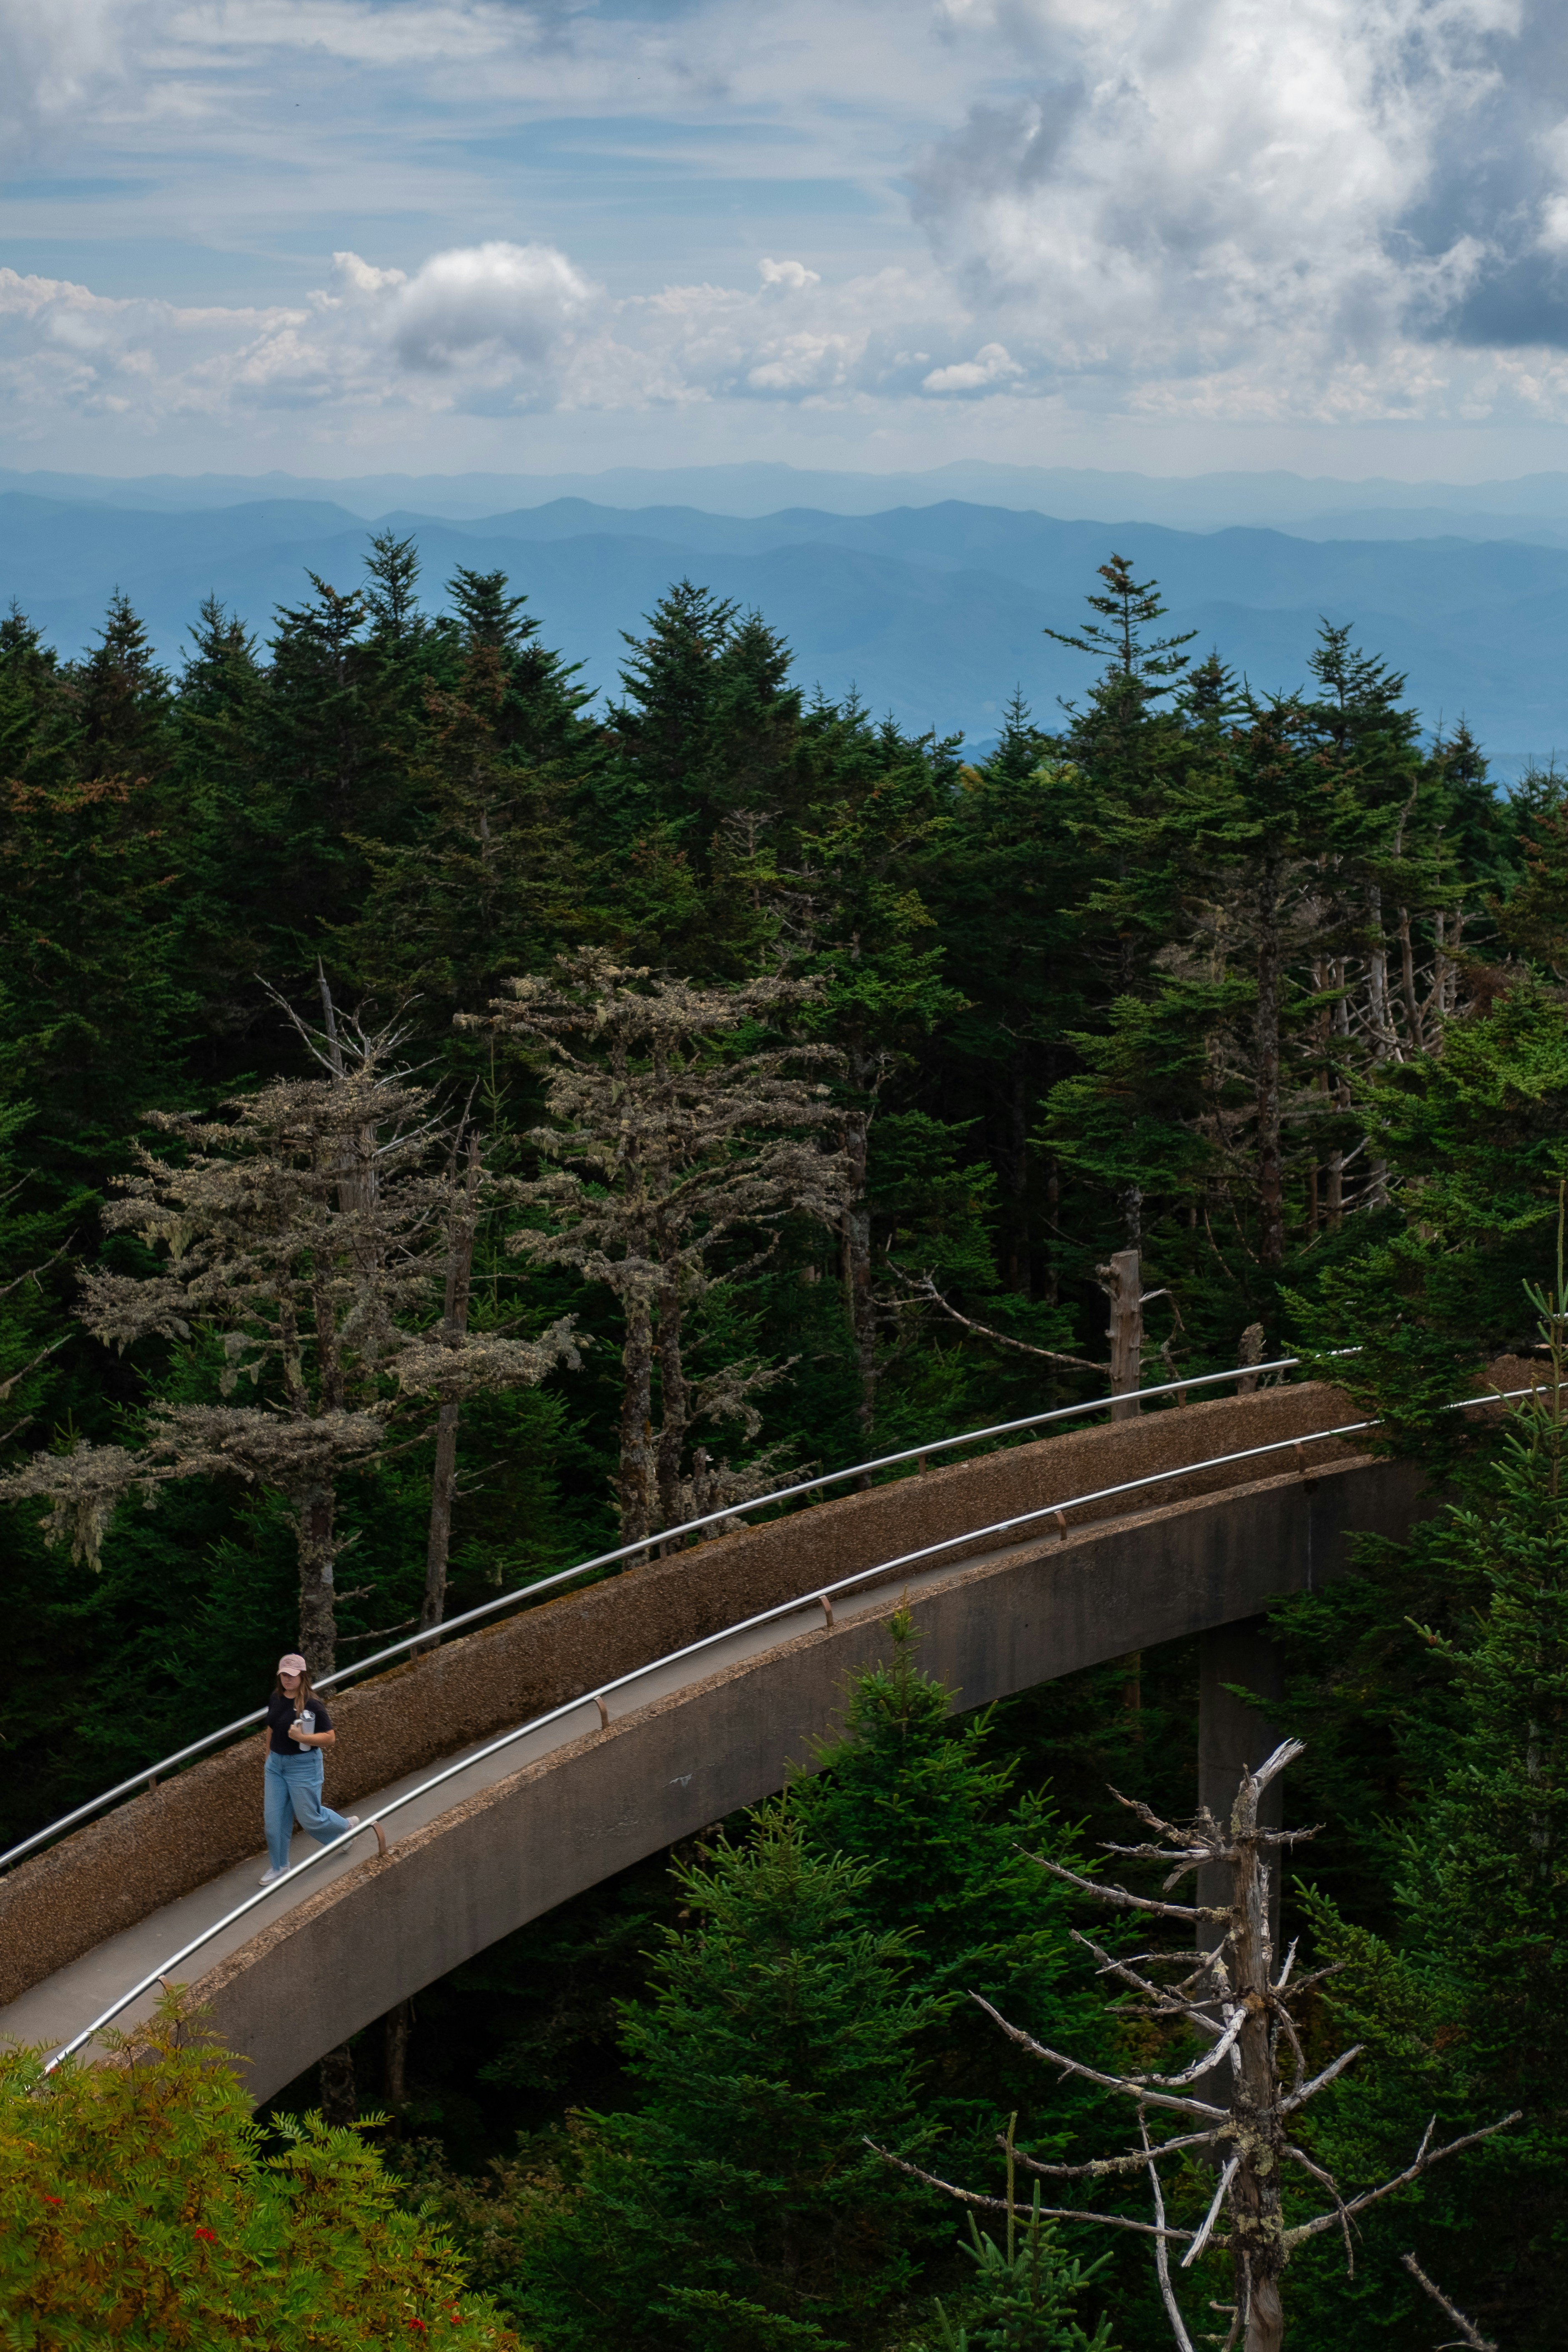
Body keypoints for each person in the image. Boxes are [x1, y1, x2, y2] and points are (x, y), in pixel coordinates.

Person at [259, 1652, 361, 1887]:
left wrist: (301, 1736)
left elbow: (330, 1738)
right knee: (273, 1822)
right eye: (284, 1674)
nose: (288, 1679)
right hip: (276, 1766)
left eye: (293, 1675)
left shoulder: (312, 1704)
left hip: (303, 1767)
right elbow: (271, 1729)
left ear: (303, 1676)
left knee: (310, 1818)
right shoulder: (276, 1697)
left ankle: (345, 1828)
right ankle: (280, 1867)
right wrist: (268, 1759)